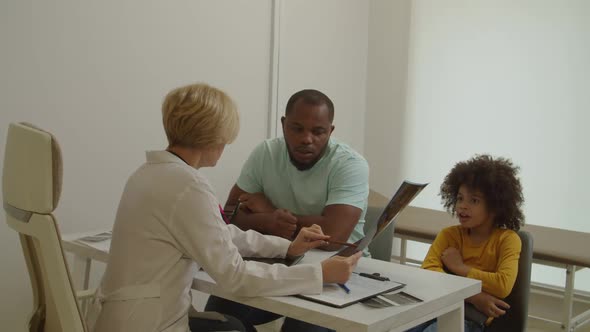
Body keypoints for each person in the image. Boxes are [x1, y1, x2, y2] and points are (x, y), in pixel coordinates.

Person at [93, 83, 362, 332]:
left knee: (231, 321)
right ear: (214, 136)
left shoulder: (149, 173)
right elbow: (235, 276)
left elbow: (220, 233)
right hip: (148, 323)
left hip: (126, 315)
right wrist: (317, 273)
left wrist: (286, 247)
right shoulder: (188, 185)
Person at [206, 89, 369, 332]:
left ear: (330, 131)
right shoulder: (266, 153)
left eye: (318, 131)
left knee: (301, 329)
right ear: (283, 125)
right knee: (217, 318)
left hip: (337, 272)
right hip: (278, 263)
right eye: (297, 128)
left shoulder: (350, 164)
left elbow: (334, 237)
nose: (307, 139)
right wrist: (268, 222)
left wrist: (270, 212)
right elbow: (229, 215)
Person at [407, 155, 525, 332]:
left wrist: (459, 267)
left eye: (474, 200)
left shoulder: (508, 239)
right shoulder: (449, 234)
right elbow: (428, 272)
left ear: (494, 206)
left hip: (471, 318)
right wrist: (474, 296)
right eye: (460, 198)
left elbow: (502, 285)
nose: (462, 206)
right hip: (436, 306)